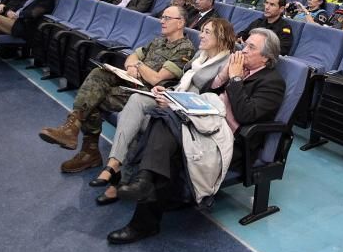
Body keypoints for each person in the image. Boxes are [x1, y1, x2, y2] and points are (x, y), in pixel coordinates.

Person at [108, 28, 286, 244]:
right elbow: (207, 92)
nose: (243, 50)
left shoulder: (272, 82)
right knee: (164, 121)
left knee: (163, 124)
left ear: (266, 57)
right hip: (207, 127)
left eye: (251, 47)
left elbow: (247, 115)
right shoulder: (241, 68)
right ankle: (147, 189)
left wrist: (236, 78)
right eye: (244, 44)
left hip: (230, 142)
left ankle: (144, 195)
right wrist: (179, 96)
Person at [91, 18, 236, 205]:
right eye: (202, 31)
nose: (201, 35)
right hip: (175, 98)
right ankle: (114, 162)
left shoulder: (227, 63)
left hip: (190, 114)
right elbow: (184, 83)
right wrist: (168, 91)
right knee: (136, 100)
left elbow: (210, 100)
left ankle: (120, 180)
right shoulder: (200, 55)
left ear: (221, 36)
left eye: (207, 32)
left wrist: (174, 102)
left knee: (140, 122)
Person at [38, 5, 196, 173]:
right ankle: (73, 128)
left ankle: (87, 150)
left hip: (146, 93)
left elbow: (156, 78)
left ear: (180, 23)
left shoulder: (185, 48)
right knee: (99, 72)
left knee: (95, 100)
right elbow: (132, 56)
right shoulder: (158, 41)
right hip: (131, 81)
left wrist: (138, 65)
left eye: (167, 18)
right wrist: (132, 65)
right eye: (162, 17)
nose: (161, 21)